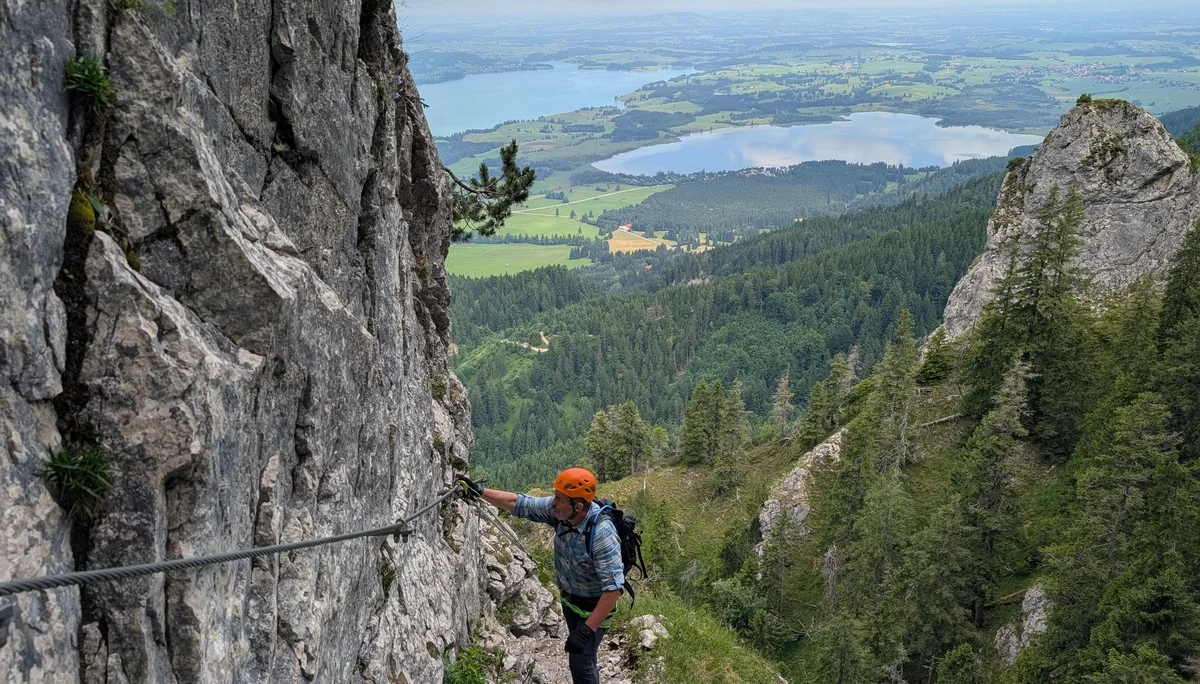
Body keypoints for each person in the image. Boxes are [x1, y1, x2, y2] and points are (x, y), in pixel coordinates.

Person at [458, 467, 622, 684]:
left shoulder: (602, 534)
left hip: (595, 607)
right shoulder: (563, 513)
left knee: (579, 661)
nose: (553, 502)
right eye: (554, 496)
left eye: (559, 499)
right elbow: (520, 504)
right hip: (570, 601)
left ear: (578, 506)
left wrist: (587, 629)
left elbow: (613, 589)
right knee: (586, 655)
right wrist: (480, 492)